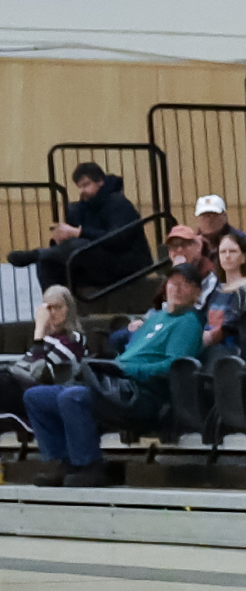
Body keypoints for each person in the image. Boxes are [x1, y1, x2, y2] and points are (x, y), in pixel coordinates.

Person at [24, 266, 203, 488]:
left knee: (73, 397)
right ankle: (66, 463)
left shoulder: (188, 322)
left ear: (197, 292)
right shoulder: (155, 318)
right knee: (36, 396)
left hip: (141, 394)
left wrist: (127, 370)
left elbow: (174, 366)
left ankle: (90, 466)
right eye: (172, 282)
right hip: (116, 384)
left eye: (184, 283)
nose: (176, 287)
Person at [9, 161, 152, 293]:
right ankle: (52, 304)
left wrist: (78, 232)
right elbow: (73, 242)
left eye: (86, 184)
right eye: (79, 187)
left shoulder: (118, 203)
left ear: (100, 182)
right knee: (47, 262)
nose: (82, 191)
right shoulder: (80, 208)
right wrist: (61, 240)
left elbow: (117, 239)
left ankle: (37, 253)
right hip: (94, 265)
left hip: (126, 265)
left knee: (81, 246)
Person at [0, 286, 86, 432]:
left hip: (42, 394)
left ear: (69, 309)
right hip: (19, 388)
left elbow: (42, 375)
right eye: (48, 308)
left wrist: (39, 330)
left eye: (58, 307)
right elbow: (23, 366)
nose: (52, 313)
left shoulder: (73, 339)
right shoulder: (47, 339)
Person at [201, 233, 246, 354]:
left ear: (243, 257)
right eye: (222, 252)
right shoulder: (216, 289)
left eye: (232, 251)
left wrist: (211, 336)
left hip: (232, 348)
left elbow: (235, 322)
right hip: (209, 344)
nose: (227, 256)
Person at [193, 194, 246, 269]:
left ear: (224, 216)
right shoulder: (192, 243)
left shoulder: (240, 240)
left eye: (214, 215)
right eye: (204, 216)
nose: (209, 221)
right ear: (197, 219)